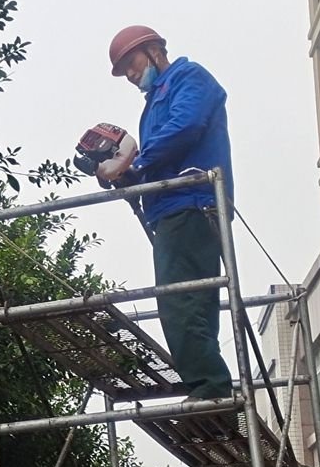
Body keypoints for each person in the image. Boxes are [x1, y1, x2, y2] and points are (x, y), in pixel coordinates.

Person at [92, 25, 236, 401]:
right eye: (124, 71)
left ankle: (209, 389)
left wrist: (134, 164)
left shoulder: (188, 77)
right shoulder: (153, 103)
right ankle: (211, 389)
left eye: (132, 63)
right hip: (174, 208)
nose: (130, 74)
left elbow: (185, 126)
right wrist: (126, 174)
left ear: (155, 51)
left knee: (179, 303)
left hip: (190, 203)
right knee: (196, 302)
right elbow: (156, 152)